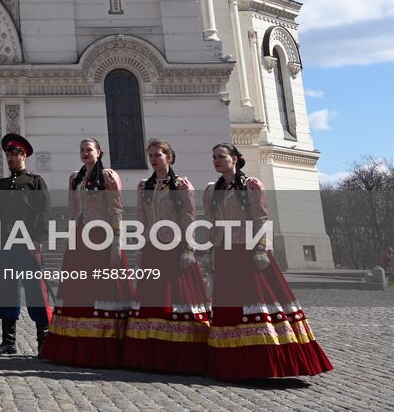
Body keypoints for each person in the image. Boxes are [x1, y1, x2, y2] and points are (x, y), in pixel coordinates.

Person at [204, 143, 333, 380]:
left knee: (258, 303)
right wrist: (210, 251)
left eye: (221, 156)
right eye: (214, 157)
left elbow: (261, 217)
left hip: (249, 252)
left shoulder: (251, 185)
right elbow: (212, 223)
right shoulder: (212, 191)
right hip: (226, 252)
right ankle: (232, 364)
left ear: (235, 158)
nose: (216, 160)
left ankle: (266, 362)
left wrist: (261, 249)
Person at [122, 138, 210, 373]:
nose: (153, 159)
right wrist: (141, 246)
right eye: (150, 156)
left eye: (157, 155)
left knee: (180, 300)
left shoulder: (182, 185)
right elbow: (141, 218)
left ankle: (182, 355)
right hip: (153, 249)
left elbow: (189, 217)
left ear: (169, 157)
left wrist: (189, 248)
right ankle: (152, 355)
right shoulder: (144, 186)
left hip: (176, 250)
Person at [41, 138, 130, 368]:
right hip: (81, 237)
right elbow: (73, 209)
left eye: (89, 150)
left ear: (99, 153)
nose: (85, 153)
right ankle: (76, 344)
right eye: (82, 150)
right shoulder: (75, 178)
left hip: (102, 236)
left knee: (102, 288)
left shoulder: (108, 176)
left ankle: (105, 346)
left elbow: (116, 207)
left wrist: (117, 240)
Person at [0, 133, 52, 355]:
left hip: (27, 245)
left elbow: (43, 213)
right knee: (6, 291)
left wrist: (37, 240)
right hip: (7, 245)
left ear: (23, 155)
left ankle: (43, 340)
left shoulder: (36, 182)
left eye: (13, 154)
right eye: (7, 155)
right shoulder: (3, 184)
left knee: (35, 291)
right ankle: (9, 341)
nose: (9, 159)